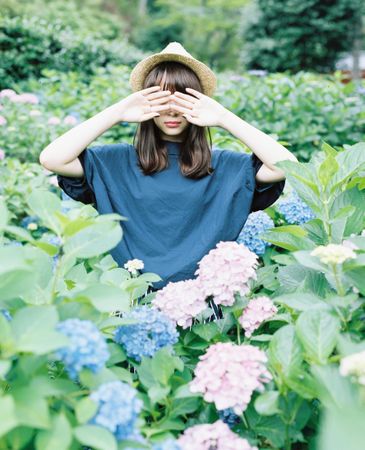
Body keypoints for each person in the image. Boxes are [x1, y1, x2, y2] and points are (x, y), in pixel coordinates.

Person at [39, 42, 298, 292]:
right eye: (162, 99)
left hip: (203, 308)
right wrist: (118, 112)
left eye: (183, 99)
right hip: (135, 302)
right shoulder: (116, 162)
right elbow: (52, 158)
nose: (172, 111)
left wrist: (223, 118)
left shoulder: (223, 167)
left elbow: (286, 166)